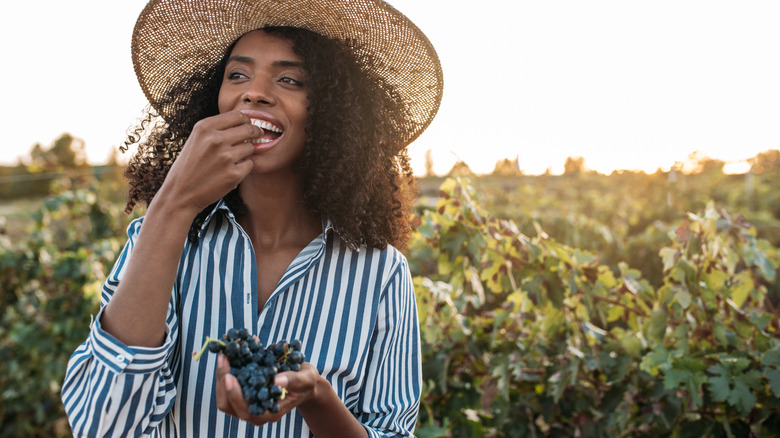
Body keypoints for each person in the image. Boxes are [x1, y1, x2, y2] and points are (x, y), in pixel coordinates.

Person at [60, 0, 443, 436]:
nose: (254, 92)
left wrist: (317, 398)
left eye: (289, 80)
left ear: (335, 112)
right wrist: (172, 206)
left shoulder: (380, 272)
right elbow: (99, 427)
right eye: (237, 75)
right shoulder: (162, 241)